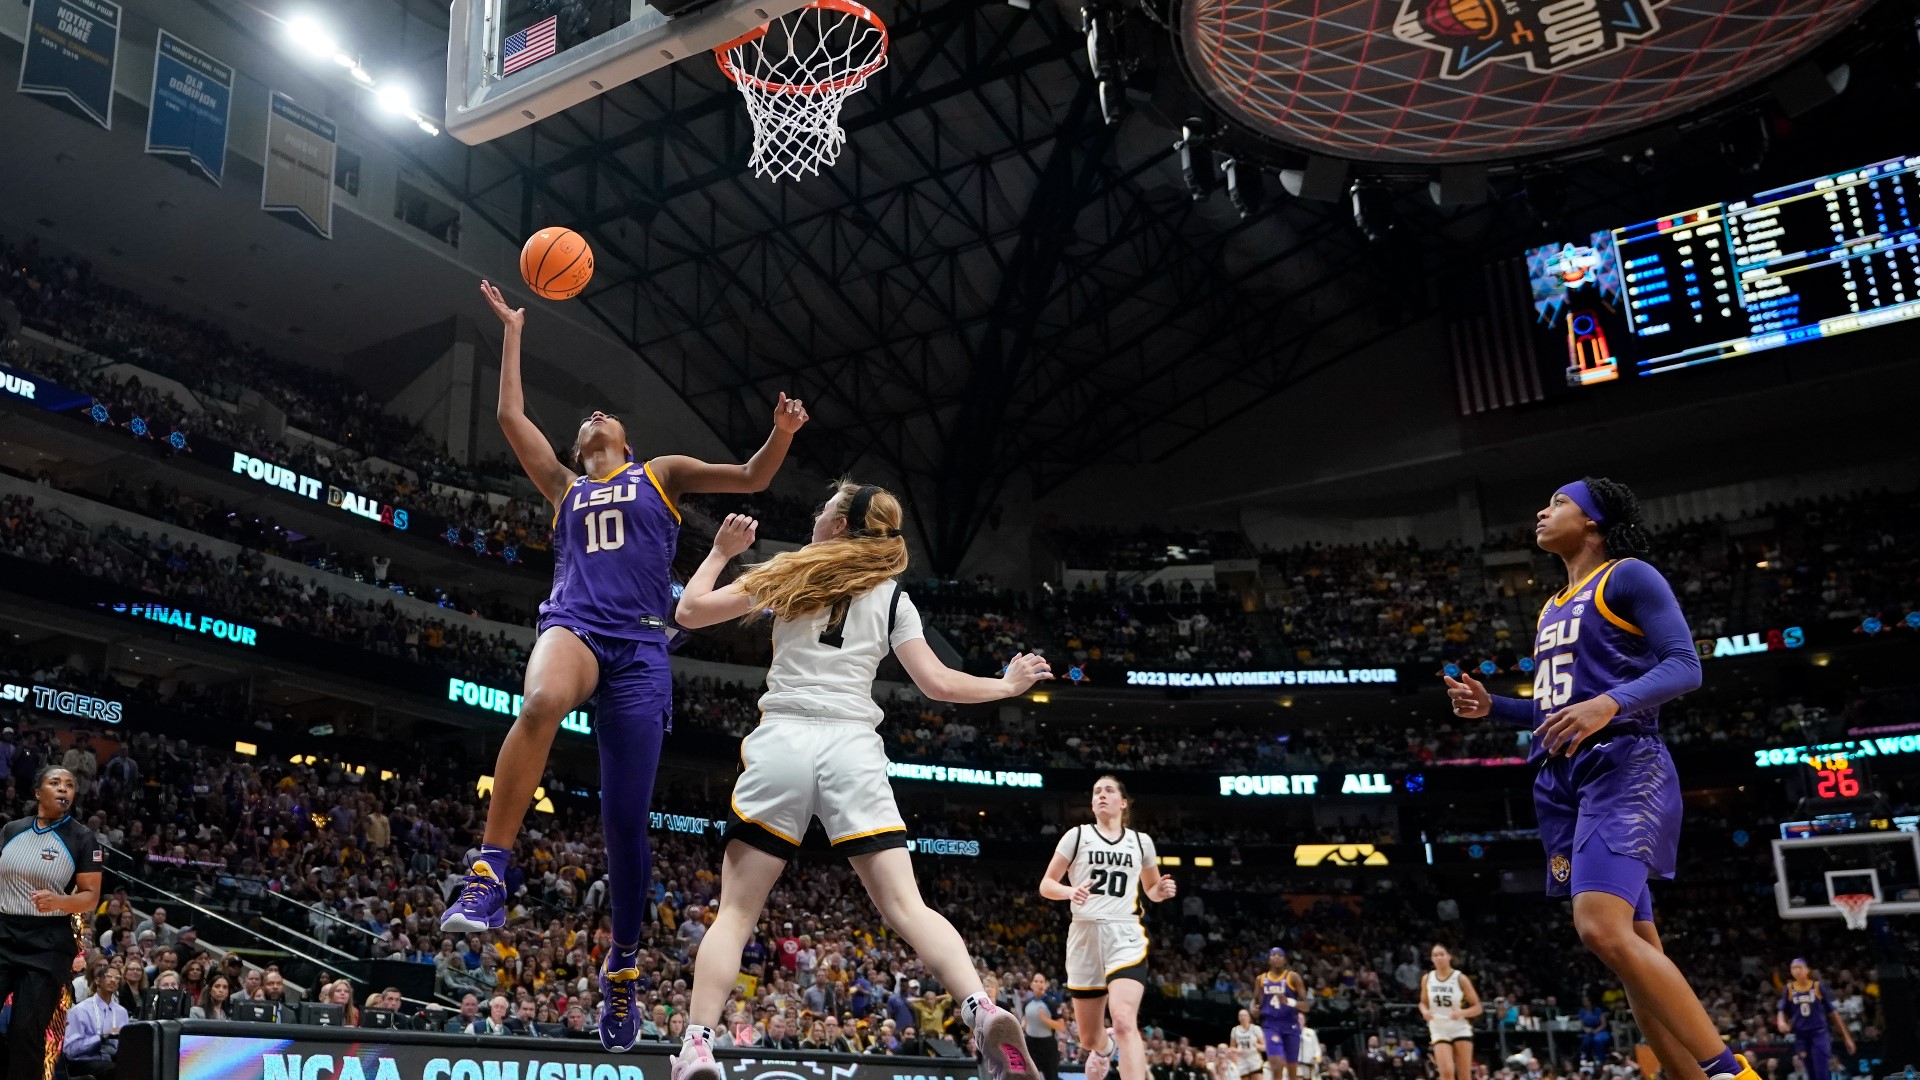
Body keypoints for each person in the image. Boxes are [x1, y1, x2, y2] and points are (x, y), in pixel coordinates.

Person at [441, 279, 809, 1057]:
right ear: (581, 449)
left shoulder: (662, 473)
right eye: (588, 421)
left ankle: (624, 967)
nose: (597, 415)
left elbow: (751, 478)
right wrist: (511, 331)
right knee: (539, 700)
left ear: (626, 442)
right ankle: (490, 869)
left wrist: (781, 433)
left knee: (625, 827)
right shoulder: (564, 487)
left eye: (606, 415)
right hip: (574, 624)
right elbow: (510, 417)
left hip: (642, 648)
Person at [667, 486, 1052, 1080]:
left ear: (840, 524)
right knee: (907, 906)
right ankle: (980, 1008)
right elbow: (939, 685)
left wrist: (720, 551)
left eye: (824, 507)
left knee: (737, 913)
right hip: (853, 747)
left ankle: (696, 1046)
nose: (815, 513)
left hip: (785, 739)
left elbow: (689, 612)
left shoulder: (792, 569)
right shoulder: (894, 595)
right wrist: (1005, 686)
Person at [1444, 478, 1754, 1080]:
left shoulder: (1629, 575)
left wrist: (1609, 704)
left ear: (1592, 522)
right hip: (1560, 780)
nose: (1541, 509)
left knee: (1599, 928)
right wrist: (1496, 709)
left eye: (1558, 501)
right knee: (1632, 951)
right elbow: (1555, 707)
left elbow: (1685, 667)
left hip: (1623, 764)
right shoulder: (1551, 604)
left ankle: (1731, 1073)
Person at [1039, 775, 1178, 1080]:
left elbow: (1151, 888)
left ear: (1123, 802)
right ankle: (1104, 1048)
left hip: (1124, 934)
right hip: (1084, 936)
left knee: (1125, 1018)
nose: (1102, 795)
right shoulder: (1076, 836)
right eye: (1097, 791)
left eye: (1109, 790)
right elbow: (1047, 884)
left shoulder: (1141, 842)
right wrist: (1069, 892)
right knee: (1088, 1037)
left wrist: (1161, 892)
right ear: (1092, 803)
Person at [1, 766, 102, 1080]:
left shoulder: (84, 839)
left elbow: (90, 897)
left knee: (25, 1029)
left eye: (70, 785)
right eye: (55, 783)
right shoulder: (11, 830)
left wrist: (60, 901)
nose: (64, 789)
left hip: (47, 943)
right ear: (37, 792)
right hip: (3, 932)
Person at [1774, 959, 1855, 1080]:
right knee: (1810, 1073)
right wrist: (1781, 1022)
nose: (1796, 970)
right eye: (1793, 968)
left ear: (1807, 970)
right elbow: (1782, 1010)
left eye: (1799, 967)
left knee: (1821, 1072)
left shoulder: (1817, 987)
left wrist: (1847, 1037)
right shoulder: (1789, 989)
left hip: (1819, 1034)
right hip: (1801, 1037)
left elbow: (1833, 1013)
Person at [1418, 945, 1481, 1080]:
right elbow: (1422, 1002)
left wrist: (1461, 1013)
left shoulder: (1460, 978)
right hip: (1439, 1027)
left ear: (1449, 956)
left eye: (1442, 954)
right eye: (1435, 955)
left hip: (1459, 1027)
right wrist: (1424, 1011)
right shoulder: (1427, 978)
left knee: (1464, 1075)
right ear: (1431, 959)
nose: (1439, 958)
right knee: (1446, 1072)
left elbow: (1478, 1007)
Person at [63, 963, 125, 1079]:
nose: (113, 980)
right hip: (82, 1061)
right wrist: (102, 1037)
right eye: (108, 976)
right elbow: (70, 1050)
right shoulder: (80, 1010)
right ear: (97, 980)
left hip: (110, 1058)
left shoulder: (121, 1012)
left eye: (117, 978)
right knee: (114, 1070)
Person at [1255, 949, 1308, 1080]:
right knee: (1277, 1065)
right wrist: (1253, 1008)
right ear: (1269, 959)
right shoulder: (1261, 979)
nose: (1276, 957)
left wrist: (1288, 1001)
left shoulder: (1293, 977)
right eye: (1273, 955)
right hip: (1271, 1024)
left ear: (1284, 960)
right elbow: (1255, 1001)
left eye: (1280, 955)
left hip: (1291, 1025)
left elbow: (1306, 1006)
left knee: (1292, 1073)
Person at [1025, 973, 1066, 1080]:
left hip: (1047, 1046)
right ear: (1031, 984)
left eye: (1041, 981)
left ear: (1045, 985)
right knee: (1030, 1076)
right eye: (1036, 981)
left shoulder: (1052, 1004)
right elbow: (1025, 1022)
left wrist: (1045, 1019)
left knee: (1051, 1076)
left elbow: (1061, 1027)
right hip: (1030, 1044)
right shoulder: (1027, 1003)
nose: (1038, 983)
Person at [1230, 1008, 1265, 1078]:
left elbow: (1264, 1047)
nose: (1243, 1017)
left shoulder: (1256, 1029)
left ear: (1249, 1017)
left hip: (1254, 1059)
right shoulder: (1235, 1030)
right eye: (1241, 1015)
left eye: (1245, 1015)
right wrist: (1236, 1050)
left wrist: (1256, 1045)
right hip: (1242, 1060)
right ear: (1238, 1018)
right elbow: (1231, 1048)